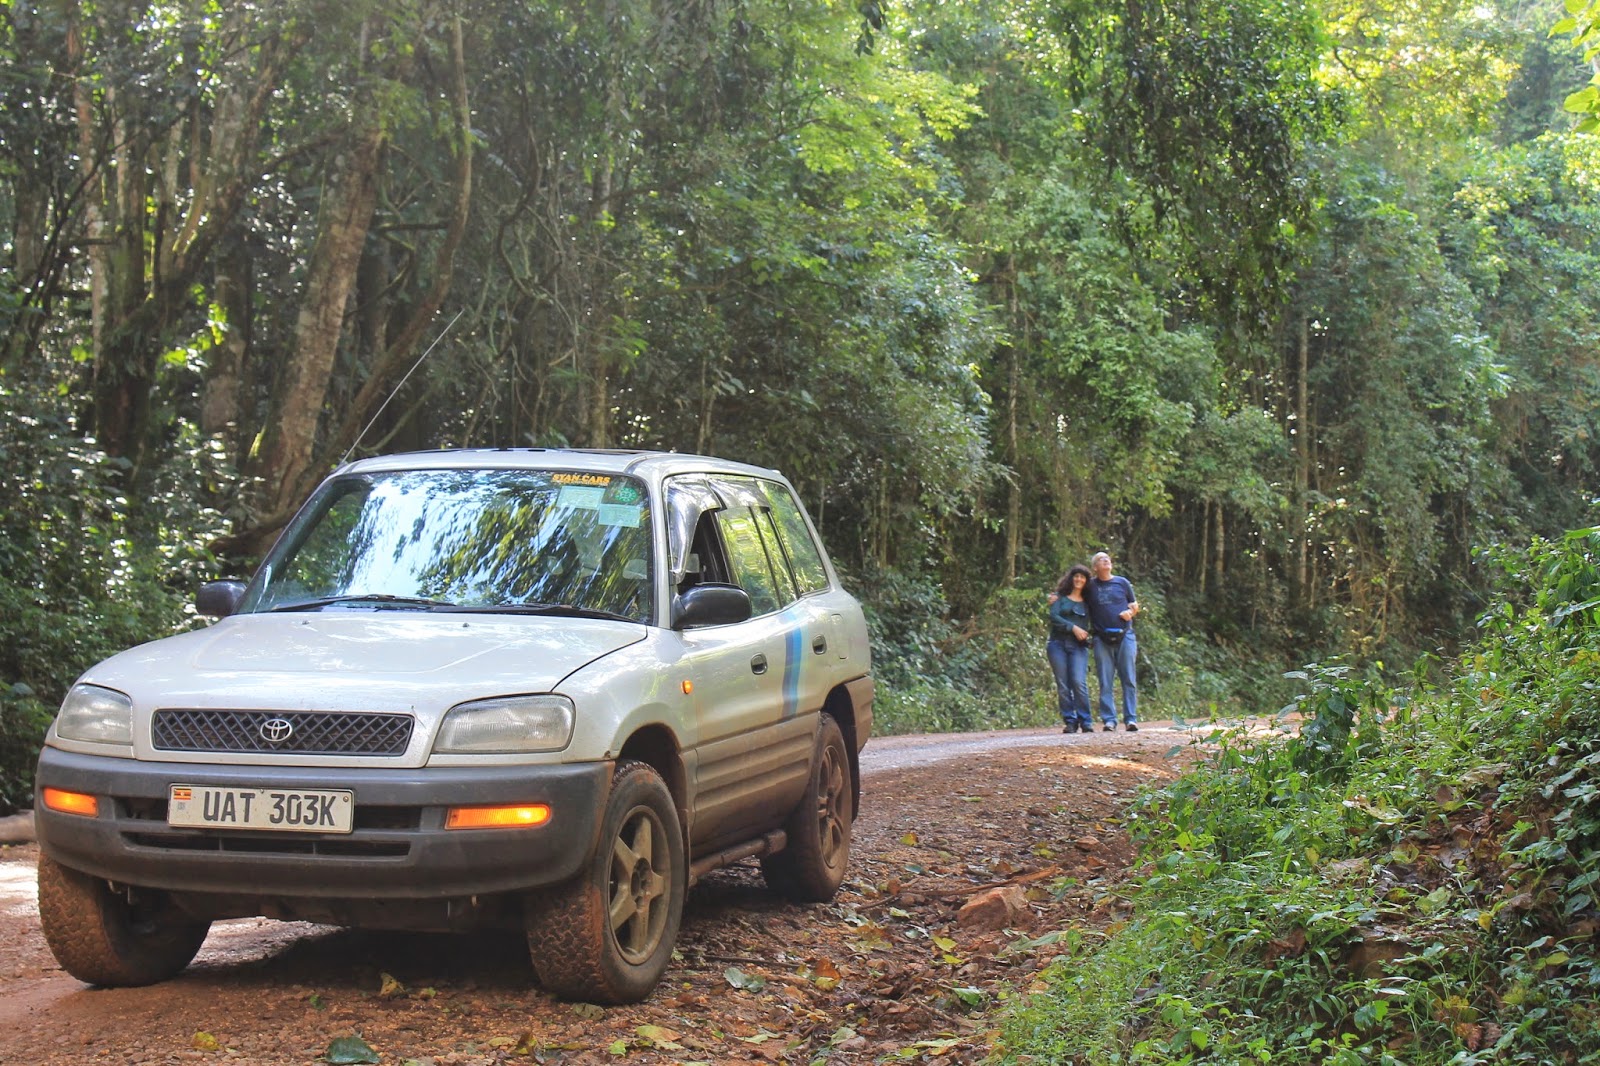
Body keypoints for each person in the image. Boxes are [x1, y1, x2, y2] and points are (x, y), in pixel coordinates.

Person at [1087, 551, 1140, 731]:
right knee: (1105, 680)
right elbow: (1074, 595)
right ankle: (1109, 719)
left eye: (1107, 559)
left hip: (1125, 635)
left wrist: (1130, 613)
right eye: (1101, 560)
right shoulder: (1090, 586)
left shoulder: (1122, 582)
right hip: (1101, 638)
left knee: (1128, 678)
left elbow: (1134, 605)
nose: (1106, 561)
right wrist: (1056, 597)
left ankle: (1131, 718)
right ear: (1095, 567)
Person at [1046, 565, 1094, 734]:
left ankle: (1086, 721)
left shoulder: (1089, 603)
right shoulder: (1060, 598)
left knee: (1079, 682)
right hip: (1057, 644)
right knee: (1063, 684)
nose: (1079, 579)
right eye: (1076, 576)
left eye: (1083, 577)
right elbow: (1054, 617)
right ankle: (1070, 721)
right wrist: (1073, 627)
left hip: (1078, 647)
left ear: (1087, 581)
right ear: (1071, 578)